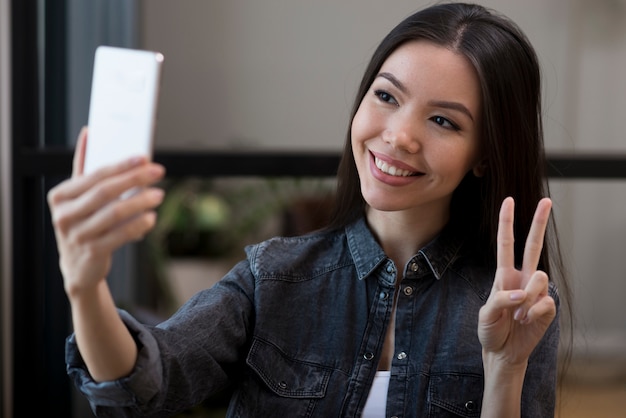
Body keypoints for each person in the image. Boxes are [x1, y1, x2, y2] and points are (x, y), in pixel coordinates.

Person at [48, 2, 572, 417]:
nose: (399, 137)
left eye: (443, 122)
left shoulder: (517, 307)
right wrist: (85, 286)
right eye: (387, 97)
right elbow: (146, 384)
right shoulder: (273, 277)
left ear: (485, 155)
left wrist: (505, 368)